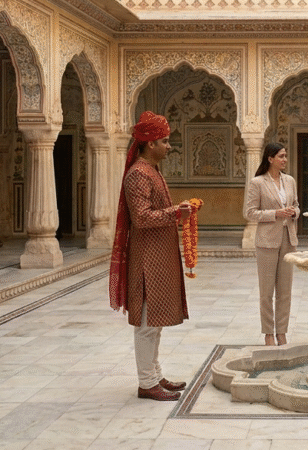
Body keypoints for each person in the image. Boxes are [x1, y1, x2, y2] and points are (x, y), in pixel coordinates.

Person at [109, 111, 194, 402]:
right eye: (165, 141)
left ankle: (155, 375)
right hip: (147, 260)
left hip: (159, 257)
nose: (169, 146)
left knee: (154, 322)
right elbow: (142, 219)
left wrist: (177, 213)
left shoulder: (152, 171)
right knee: (147, 324)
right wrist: (176, 213)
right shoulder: (137, 175)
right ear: (150, 143)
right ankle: (146, 383)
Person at [243, 142, 300, 346]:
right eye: (281, 156)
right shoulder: (257, 183)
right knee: (266, 291)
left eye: (285, 156)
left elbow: (296, 205)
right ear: (270, 158)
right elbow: (249, 212)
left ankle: (282, 332)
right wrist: (275, 214)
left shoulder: (290, 181)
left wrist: (294, 212)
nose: (285, 159)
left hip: (288, 239)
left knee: (285, 291)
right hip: (267, 241)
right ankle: (268, 333)